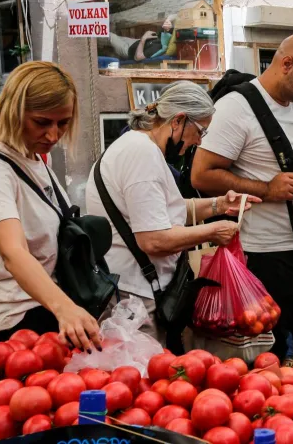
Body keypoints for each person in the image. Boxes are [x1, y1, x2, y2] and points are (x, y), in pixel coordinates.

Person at [191, 32, 293, 358]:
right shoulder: (236, 107)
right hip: (269, 257)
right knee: (270, 358)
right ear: (286, 64)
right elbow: (202, 174)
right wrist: (266, 189)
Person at [85, 81, 250, 343]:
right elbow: (153, 239)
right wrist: (215, 231)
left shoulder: (137, 147)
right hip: (135, 299)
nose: (198, 142)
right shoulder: (141, 154)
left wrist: (219, 205)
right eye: (200, 131)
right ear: (178, 120)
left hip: (134, 293)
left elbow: (163, 211)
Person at [0, 62, 101, 355]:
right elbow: (13, 253)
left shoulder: (37, 161)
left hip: (47, 316)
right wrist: (65, 308)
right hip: (11, 328)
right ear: (14, 112)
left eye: (62, 123)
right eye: (42, 122)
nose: (53, 135)